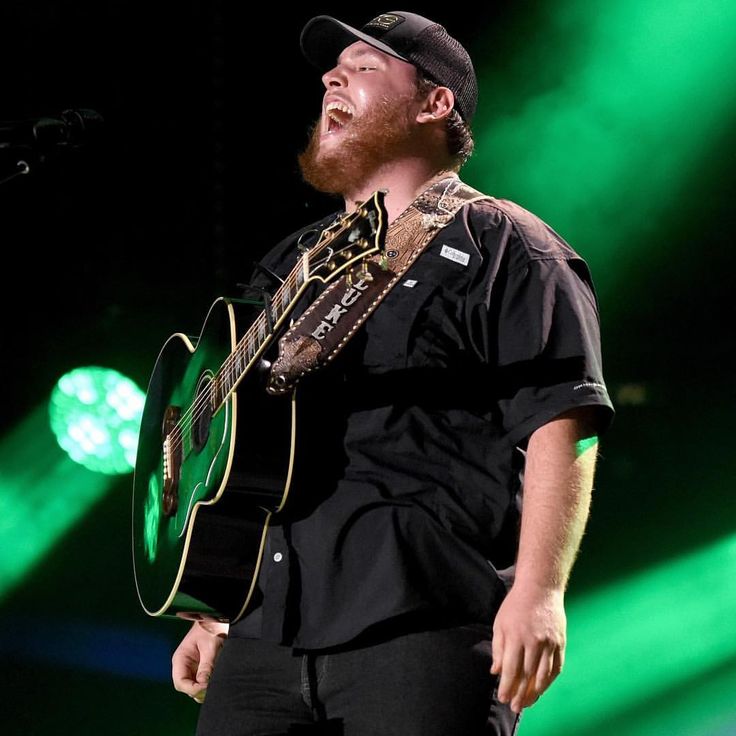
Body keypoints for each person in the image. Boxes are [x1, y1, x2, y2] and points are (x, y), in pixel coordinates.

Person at [171, 10, 614, 736]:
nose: (330, 77)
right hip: (264, 637)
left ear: (434, 103)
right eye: (331, 69)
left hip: (422, 628)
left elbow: (562, 417)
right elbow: (248, 451)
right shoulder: (289, 264)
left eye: (365, 66)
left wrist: (540, 590)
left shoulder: (508, 246)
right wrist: (216, 611)